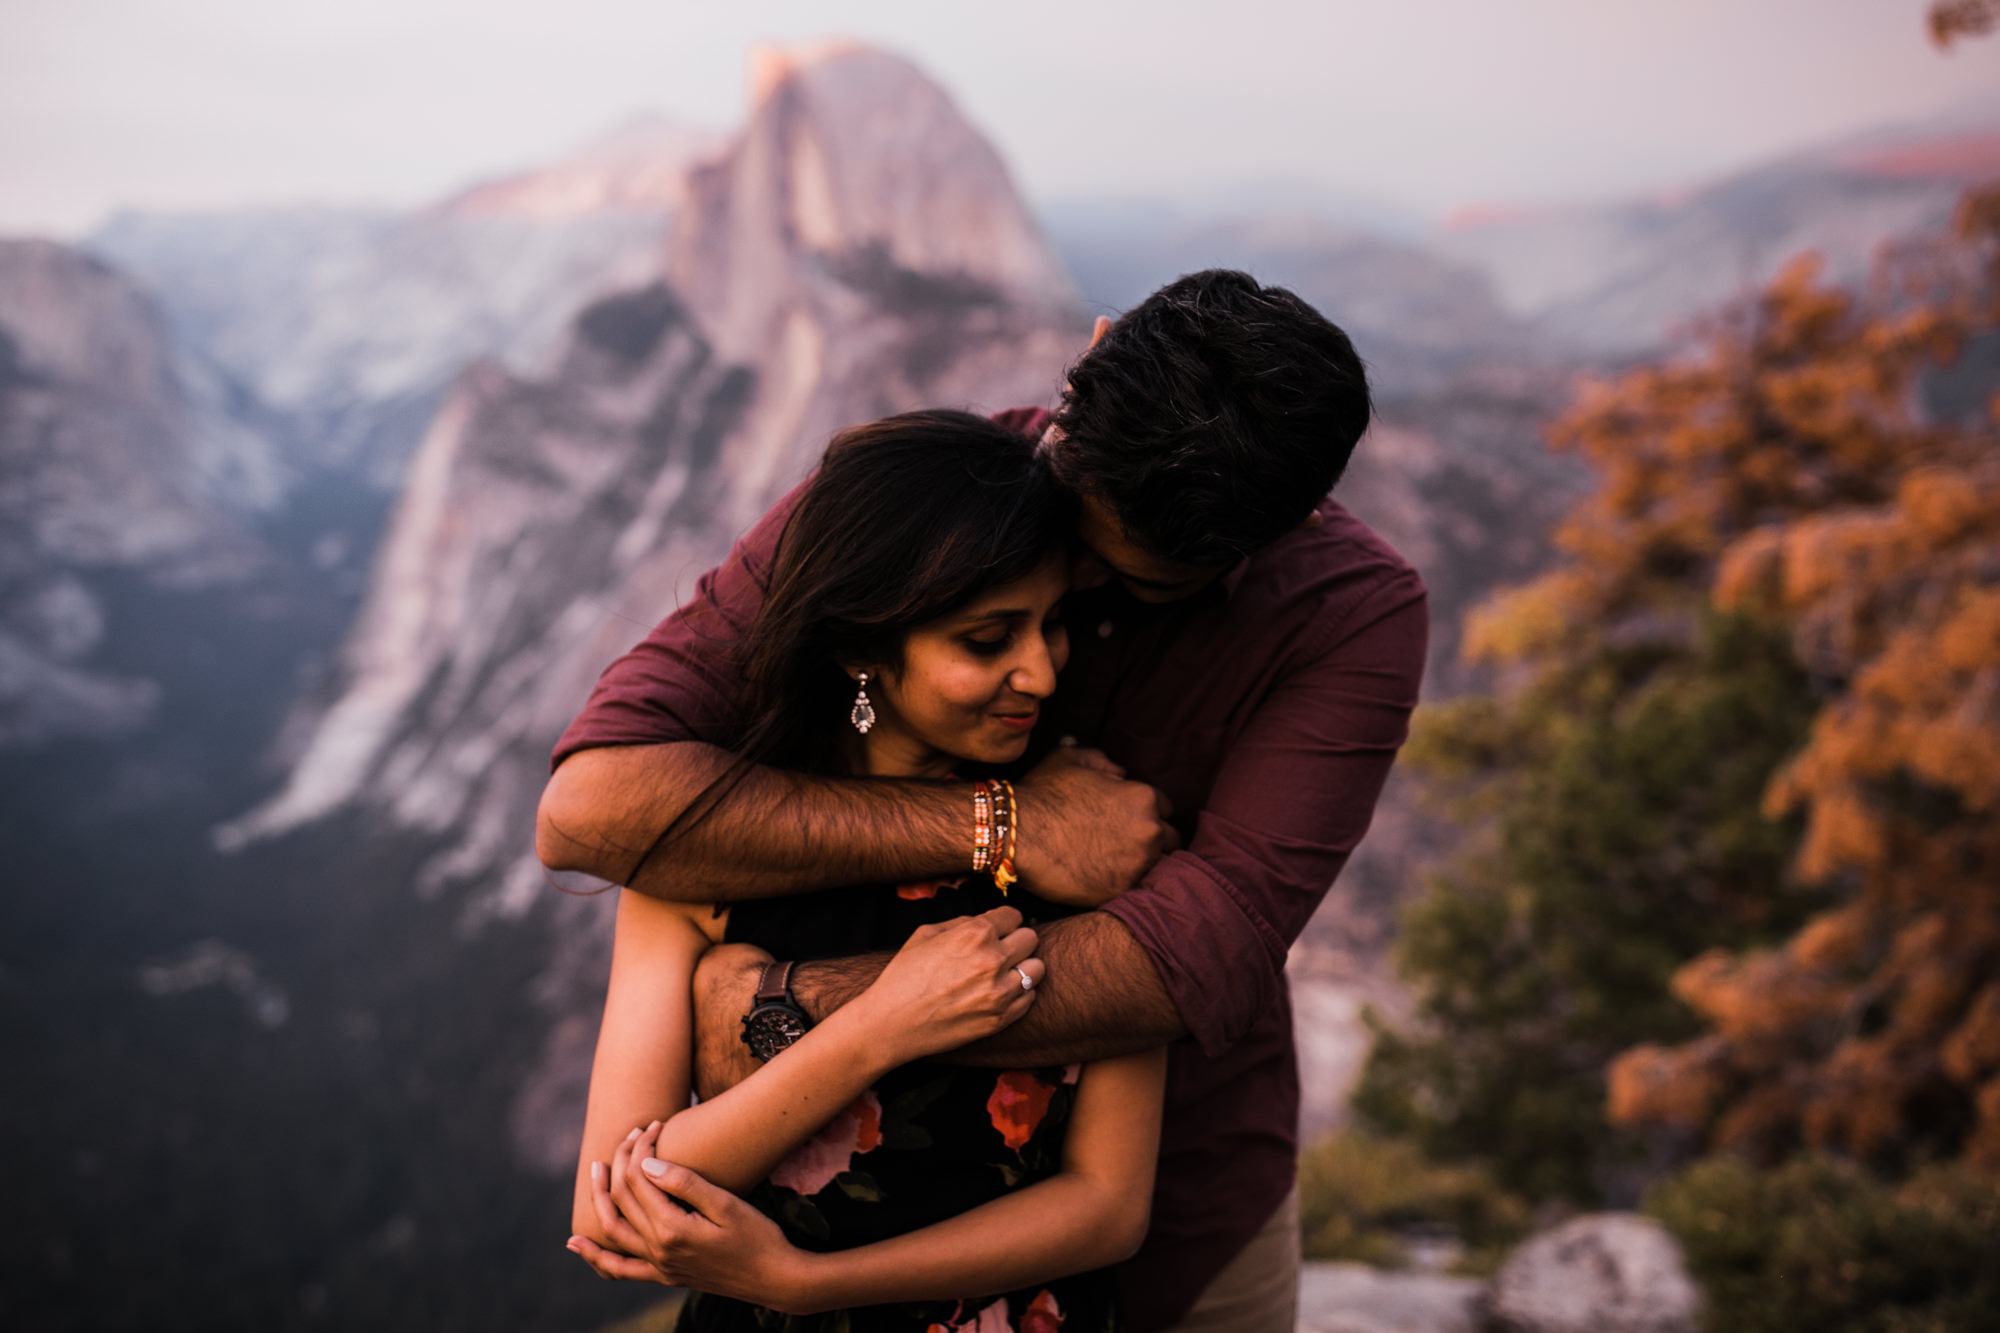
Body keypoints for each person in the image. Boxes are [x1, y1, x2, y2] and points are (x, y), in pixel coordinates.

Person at [544, 270, 1429, 1333]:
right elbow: (588, 810)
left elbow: (1191, 953)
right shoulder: (920, 508)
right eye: (991, 627)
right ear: (1087, 356)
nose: (1051, 662)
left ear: (1281, 526)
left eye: (1130, 584)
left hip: (1177, 1209)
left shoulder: (1348, 617)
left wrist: (785, 1008)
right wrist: (1008, 828)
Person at [567, 410, 1169, 1332]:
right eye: (987, 639)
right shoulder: (715, 852)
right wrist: (883, 1022)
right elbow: (614, 1202)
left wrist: (807, 1282)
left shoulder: (1087, 836)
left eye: (1052, 625)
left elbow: (1109, 1204)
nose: (1041, 674)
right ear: (860, 649)